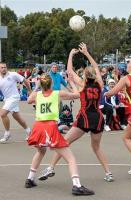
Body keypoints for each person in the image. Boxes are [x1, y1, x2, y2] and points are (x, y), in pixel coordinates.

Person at [38, 43, 114, 182]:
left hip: (84, 118)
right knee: (96, 147)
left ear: (84, 75)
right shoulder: (100, 85)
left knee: (64, 142)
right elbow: (96, 67)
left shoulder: (83, 85)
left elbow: (69, 71)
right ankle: (108, 173)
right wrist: (86, 53)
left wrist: (71, 55)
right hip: (97, 118)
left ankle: (50, 168)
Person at [25, 73, 94, 196]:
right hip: (49, 128)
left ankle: (30, 179)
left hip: (38, 127)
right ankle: (77, 185)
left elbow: (29, 100)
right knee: (70, 157)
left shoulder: (37, 94)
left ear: (40, 84)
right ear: (51, 83)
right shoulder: (58, 94)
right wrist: (72, 83)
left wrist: (36, 88)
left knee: (41, 151)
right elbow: (78, 95)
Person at [0, 63, 32, 143]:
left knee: (3, 114)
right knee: (17, 117)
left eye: (5, 67)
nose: (4, 69)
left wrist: (30, 90)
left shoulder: (13, 74)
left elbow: (24, 80)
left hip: (14, 97)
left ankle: (7, 133)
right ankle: (29, 132)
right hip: (7, 99)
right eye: (2, 67)